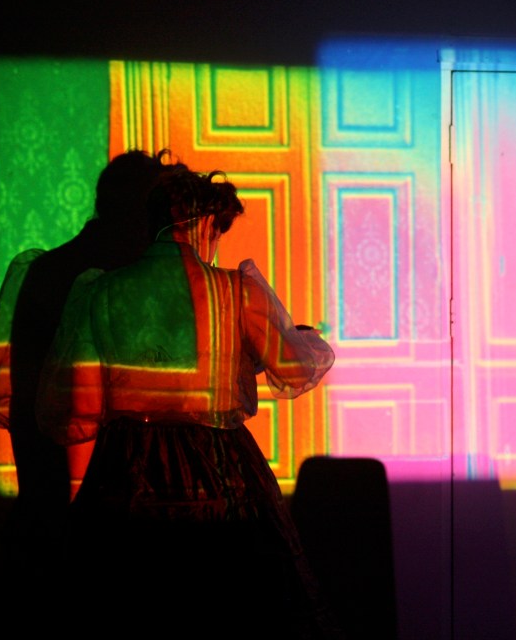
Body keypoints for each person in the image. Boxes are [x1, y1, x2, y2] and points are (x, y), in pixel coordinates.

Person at [36, 158, 342, 636]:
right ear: (201, 224)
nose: (215, 243)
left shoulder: (100, 291)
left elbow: (80, 406)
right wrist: (302, 339)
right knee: (227, 602)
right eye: (216, 231)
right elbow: (294, 368)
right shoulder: (235, 291)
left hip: (125, 469)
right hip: (216, 467)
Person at [0, 149, 168, 628]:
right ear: (137, 214)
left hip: (58, 481)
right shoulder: (102, 280)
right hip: (77, 488)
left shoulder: (56, 269)